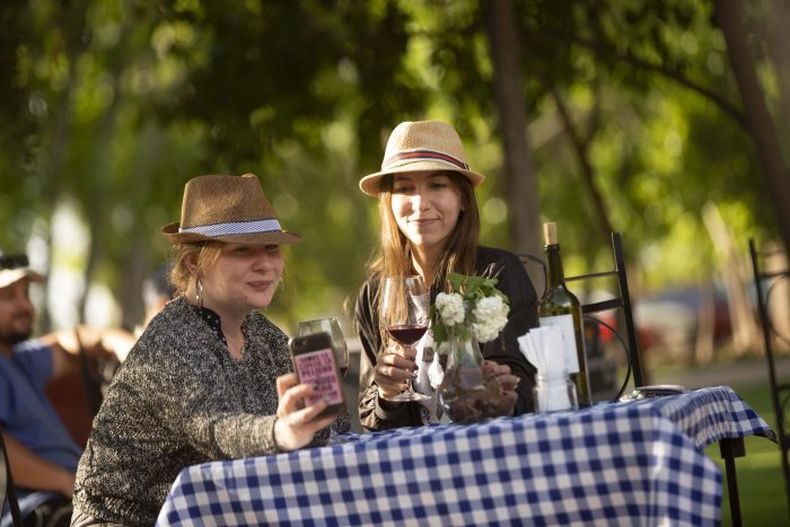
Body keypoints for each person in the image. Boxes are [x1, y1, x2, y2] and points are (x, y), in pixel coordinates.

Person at [71, 174, 346, 527]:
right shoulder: (172, 340)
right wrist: (282, 432)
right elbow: (215, 428)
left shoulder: (263, 335)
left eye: (272, 248)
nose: (265, 264)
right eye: (242, 250)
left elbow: (332, 429)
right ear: (193, 264)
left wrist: (317, 410)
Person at [355, 120, 539, 430]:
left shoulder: (497, 274)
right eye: (404, 188)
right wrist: (386, 393)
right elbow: (372, 418)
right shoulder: (375, 294)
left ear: (463, 198)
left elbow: (523, 388)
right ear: (389, 203)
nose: (420, 203)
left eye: (437, 185)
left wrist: (498, 392)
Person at [0, 251, 135, 527]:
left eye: (26, 293)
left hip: (71, 502)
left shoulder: (20, 359)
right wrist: (69, 482)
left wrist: (123, 345)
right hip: (38, 511)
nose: (25, 306)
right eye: (8, 296)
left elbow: (74, 341)